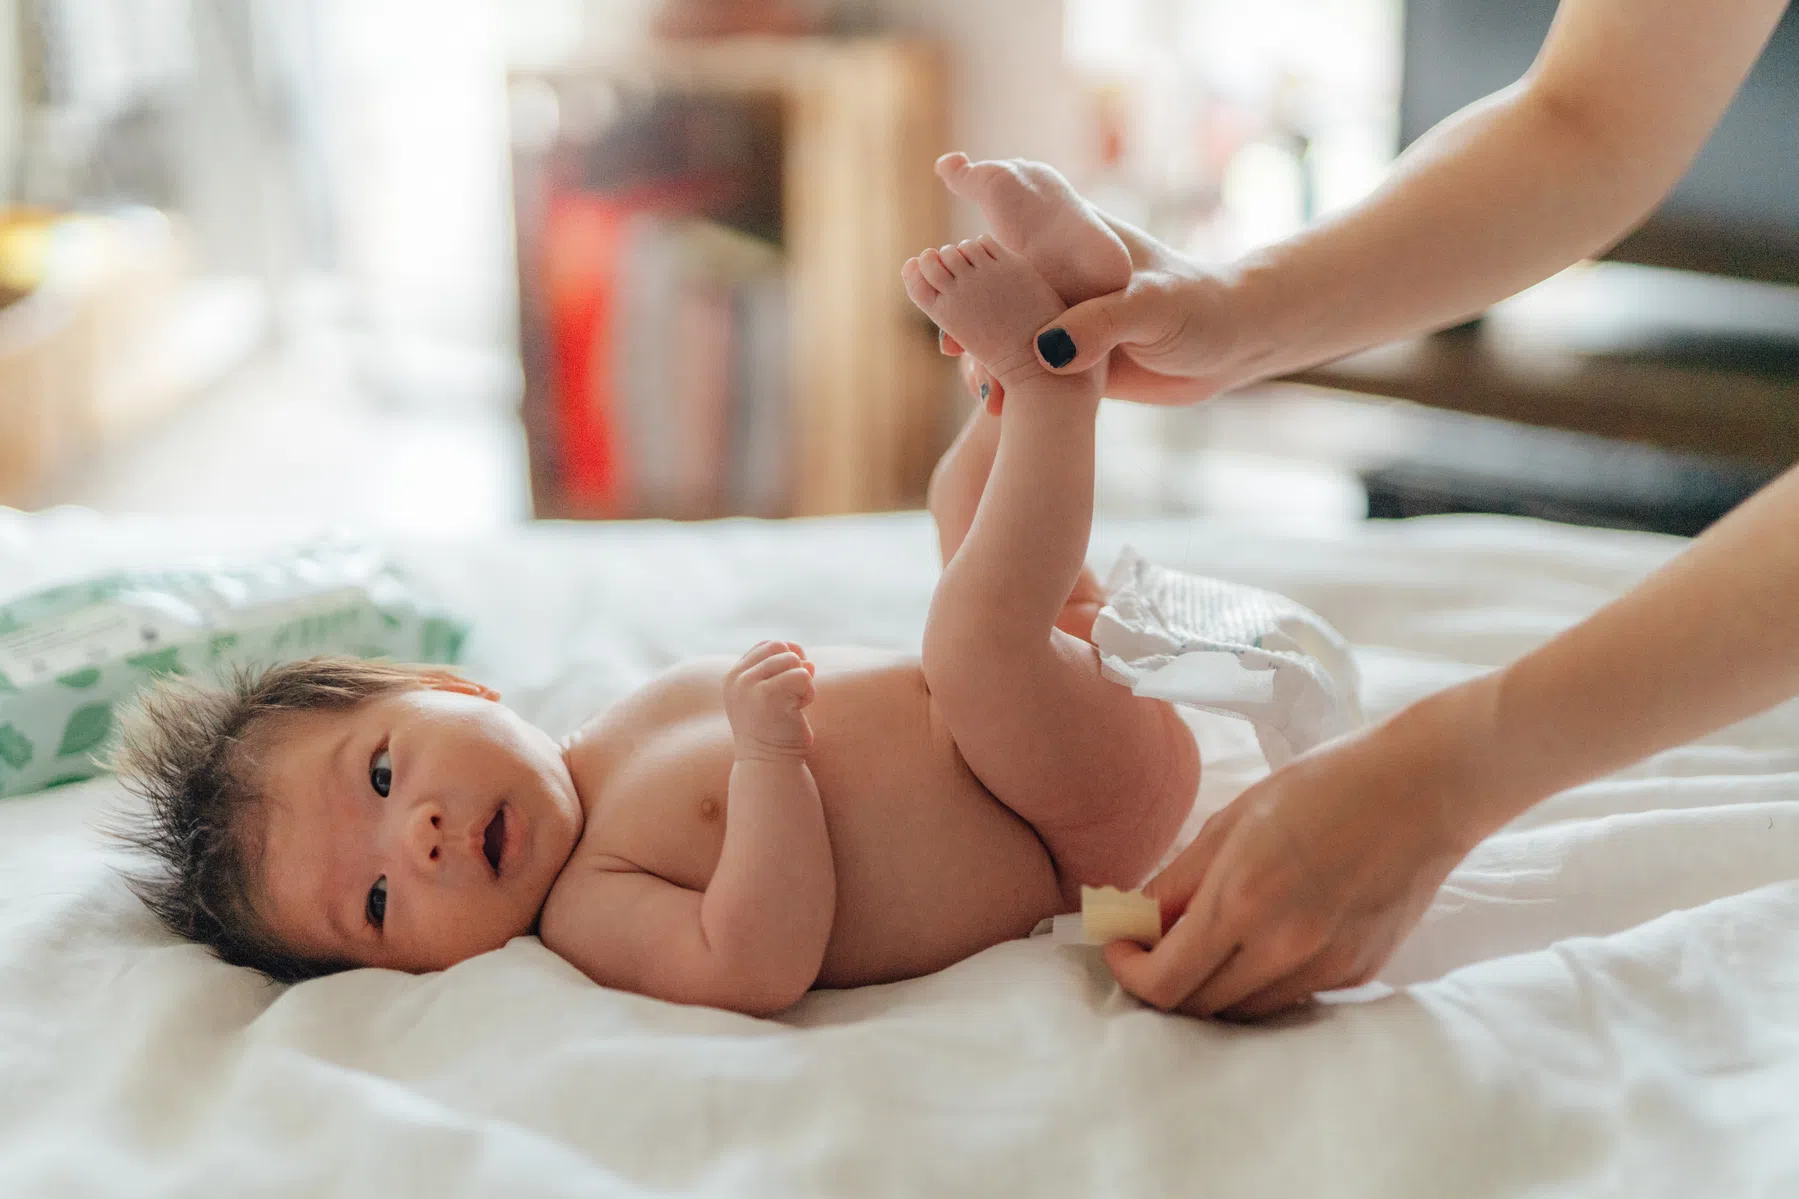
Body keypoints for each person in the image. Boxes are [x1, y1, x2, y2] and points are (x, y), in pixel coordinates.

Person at [939, 0, 1796, 1020]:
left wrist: (1446, 772)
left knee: (980, 635)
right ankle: (1045, 379)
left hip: (1007, 791)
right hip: (981, 758)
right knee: (987, 578)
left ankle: (1040, 391)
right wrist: (1235, 307)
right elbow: (1589, 117)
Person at [112, 218, 1200, 1017]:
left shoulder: (622, 721)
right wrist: (771, 758)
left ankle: (1030, 361)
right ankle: (1054, 380)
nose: (422, 834)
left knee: (960, 515)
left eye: (385, 775)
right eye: (382, 897)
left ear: (453, 689)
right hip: (1066, 830)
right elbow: (752, 960)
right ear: (409, 971)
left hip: (1055, 714)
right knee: (970, 637)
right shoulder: (592, 906)